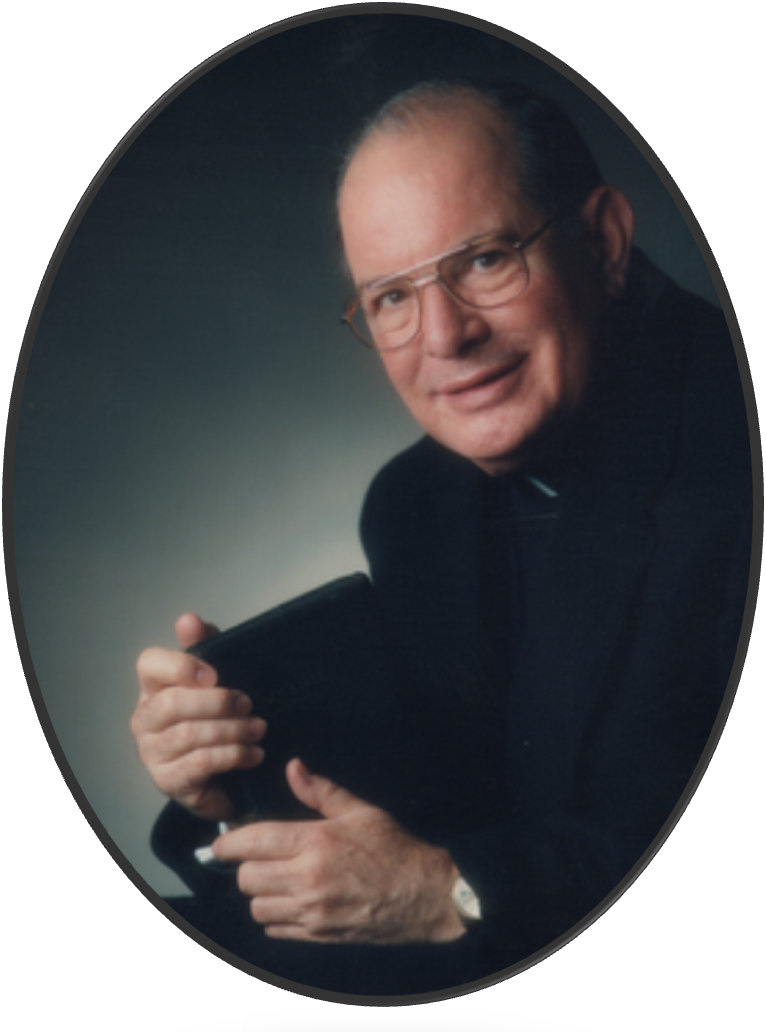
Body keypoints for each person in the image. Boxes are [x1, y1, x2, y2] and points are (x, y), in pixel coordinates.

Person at [130, 81, 752, 994]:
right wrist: (229, 782)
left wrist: (453, 891)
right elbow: (425, 820)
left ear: (608, 242)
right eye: (389, 298)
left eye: (488, 259)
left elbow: (439, 876)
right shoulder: (416, 504)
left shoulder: (741, 451)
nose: (445, 335)